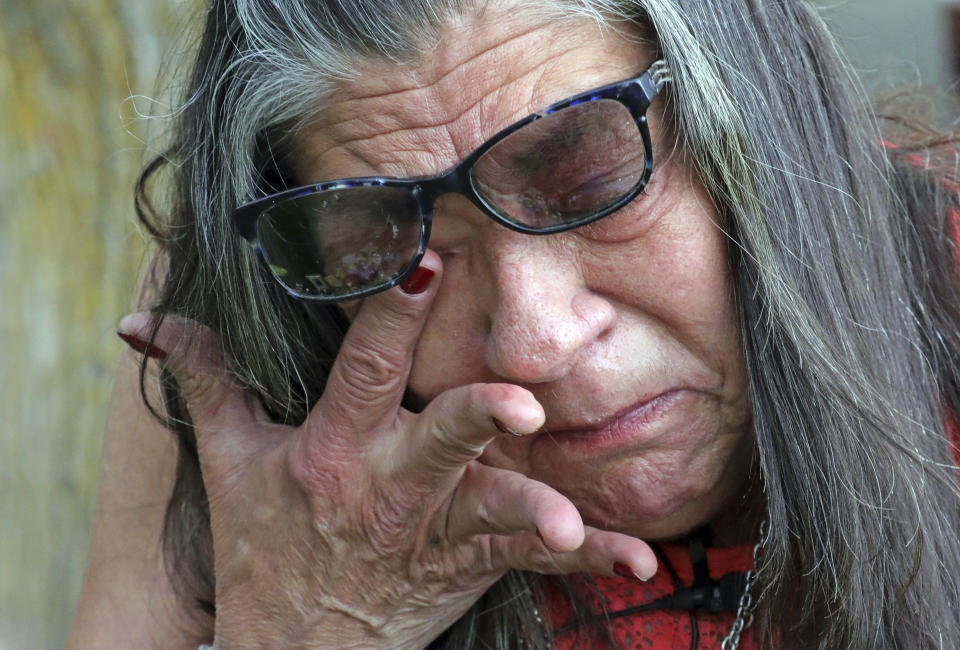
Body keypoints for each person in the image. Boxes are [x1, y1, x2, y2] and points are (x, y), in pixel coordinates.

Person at [68, 0, 960, 648]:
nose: (535, 342)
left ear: (761, 114)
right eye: (398, 258)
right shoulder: (252, 380)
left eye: (590, 178)